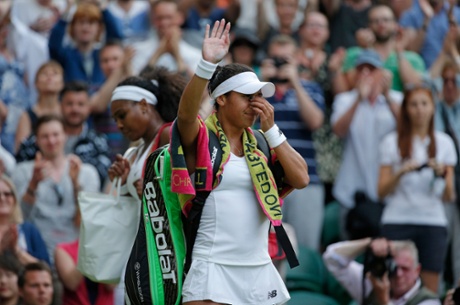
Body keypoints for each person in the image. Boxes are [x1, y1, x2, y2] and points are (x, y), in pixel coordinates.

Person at [173, 19, 309, 305]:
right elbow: (184, 117)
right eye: (248, 96)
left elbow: (301, 178)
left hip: (258, 268)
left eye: (259, 96)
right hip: (212, 267)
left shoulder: (261, 142)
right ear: (221, 99)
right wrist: (206, 65)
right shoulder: (202, 137)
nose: (257, 103)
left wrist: (272, 131)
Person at [107, 68, 186, 305]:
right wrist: (122, 183)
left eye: (122, 115)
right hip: (137, 248)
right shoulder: (135, 150)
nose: (119, 125)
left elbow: (185, 186)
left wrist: (156, 192)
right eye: (115, 120)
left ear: (143, 105)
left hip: (162, 252)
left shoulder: (168, 134)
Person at [377, 85, 457, 293]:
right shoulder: (391, 142)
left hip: (432, 220)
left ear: (432, 108)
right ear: (406, 109)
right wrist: (401, 172)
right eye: (413, 104)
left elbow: (449, 195)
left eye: (424, 104)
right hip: (397, 218)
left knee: (430, 287)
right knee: (394, 282)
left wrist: (442, 173)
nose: (419, 110)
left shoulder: (444, 143)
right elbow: (381, 191)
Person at [260, 34, 325, 251]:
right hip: (265, 178)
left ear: (296, 59)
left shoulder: (310, 88)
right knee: (264, 246)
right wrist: (261, 83)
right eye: (276, 59)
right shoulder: (257, 90)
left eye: (285, 59)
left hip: (304, 178)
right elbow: (246, 124)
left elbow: (315, 121)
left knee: (304, 250)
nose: (280, 64)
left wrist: (295, 81)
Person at [331, 49, 403, 240]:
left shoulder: (396, 99)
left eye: (371, 70)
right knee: (350, 252)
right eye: (361, 70)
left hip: (388, 191)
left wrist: (387, 96)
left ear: (382, 73)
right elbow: (339, 130)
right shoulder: (344, 99)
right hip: (351, 190)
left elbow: (408, 131)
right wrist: (358, 99)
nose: (365, 75)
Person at [12, 115, 100, 260]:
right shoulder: (22, 171)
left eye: (55, 135)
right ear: (36, 140)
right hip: (37, 249)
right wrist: (33, 184)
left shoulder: (86, 172)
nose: (51, 141)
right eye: (45, 136)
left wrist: (75, 184)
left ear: (65, 135)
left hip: (75, 251)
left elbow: (87, 221)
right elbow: (19, 219)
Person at [16, 81, 112, 189]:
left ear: (88, 107)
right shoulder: (37, 139)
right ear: (60, 105)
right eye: (69, 104)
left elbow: (105, 176)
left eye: (80, 104)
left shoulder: (98, 141)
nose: (75, 109)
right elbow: (19, 170)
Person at [323, 237, 441, 305]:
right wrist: (369, 243)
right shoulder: (373, 283)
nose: (399, 274)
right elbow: (332, 258)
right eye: (393, 267)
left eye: (405, 269)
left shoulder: (428, 301)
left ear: (417, 270)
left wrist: (383, 300)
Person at [340, 5, 425, 92]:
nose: (381, 24)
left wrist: (399, 51)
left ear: (396, 24)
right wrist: (366, 50)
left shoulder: (413, 58)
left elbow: (415, 88)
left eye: (386, 20)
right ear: (368, 26)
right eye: (376, 21)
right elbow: (348, 89)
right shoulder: (354, 54)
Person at [130, 0, 201, 76]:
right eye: (159, 18)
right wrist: (158, 53)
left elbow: (196, 87)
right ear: (153, 19)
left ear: (180, 18)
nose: (164, 23)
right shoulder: (138, 51)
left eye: (169, 17)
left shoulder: (194, 54)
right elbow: (135, 84)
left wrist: (177, 55)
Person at [15, 60, 64, 153]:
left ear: (62, 83)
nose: (49, 77)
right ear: (35, 83)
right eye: (44, 74)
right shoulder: (27, 116)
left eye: (55, 73)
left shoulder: (68, 111)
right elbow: (20, 149)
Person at [0, 174, 50, 265]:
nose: (2, 198)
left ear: (14, 199)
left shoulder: (29, 230)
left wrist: (16, 251)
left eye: (7, 194)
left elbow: (45, 270)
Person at [54, 239, 114, 305]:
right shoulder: (64, 249)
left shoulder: (109, 249)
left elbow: (111, 285)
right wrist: (89, 251)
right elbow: (72, 284)